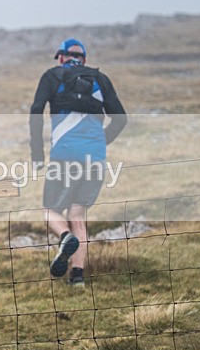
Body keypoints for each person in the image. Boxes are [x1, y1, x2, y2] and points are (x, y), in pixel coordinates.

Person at [29, 38, 127, 287]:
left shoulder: (53, 76)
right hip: (95, 158)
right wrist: (101, 143)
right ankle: (78, 277)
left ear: (62, 57)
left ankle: (64, 237)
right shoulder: (100, 80)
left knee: (50, 210)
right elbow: (120, 119)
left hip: (64, 155)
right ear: (83, 58)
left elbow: (36, 111)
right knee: (78, 214)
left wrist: (37, 154)